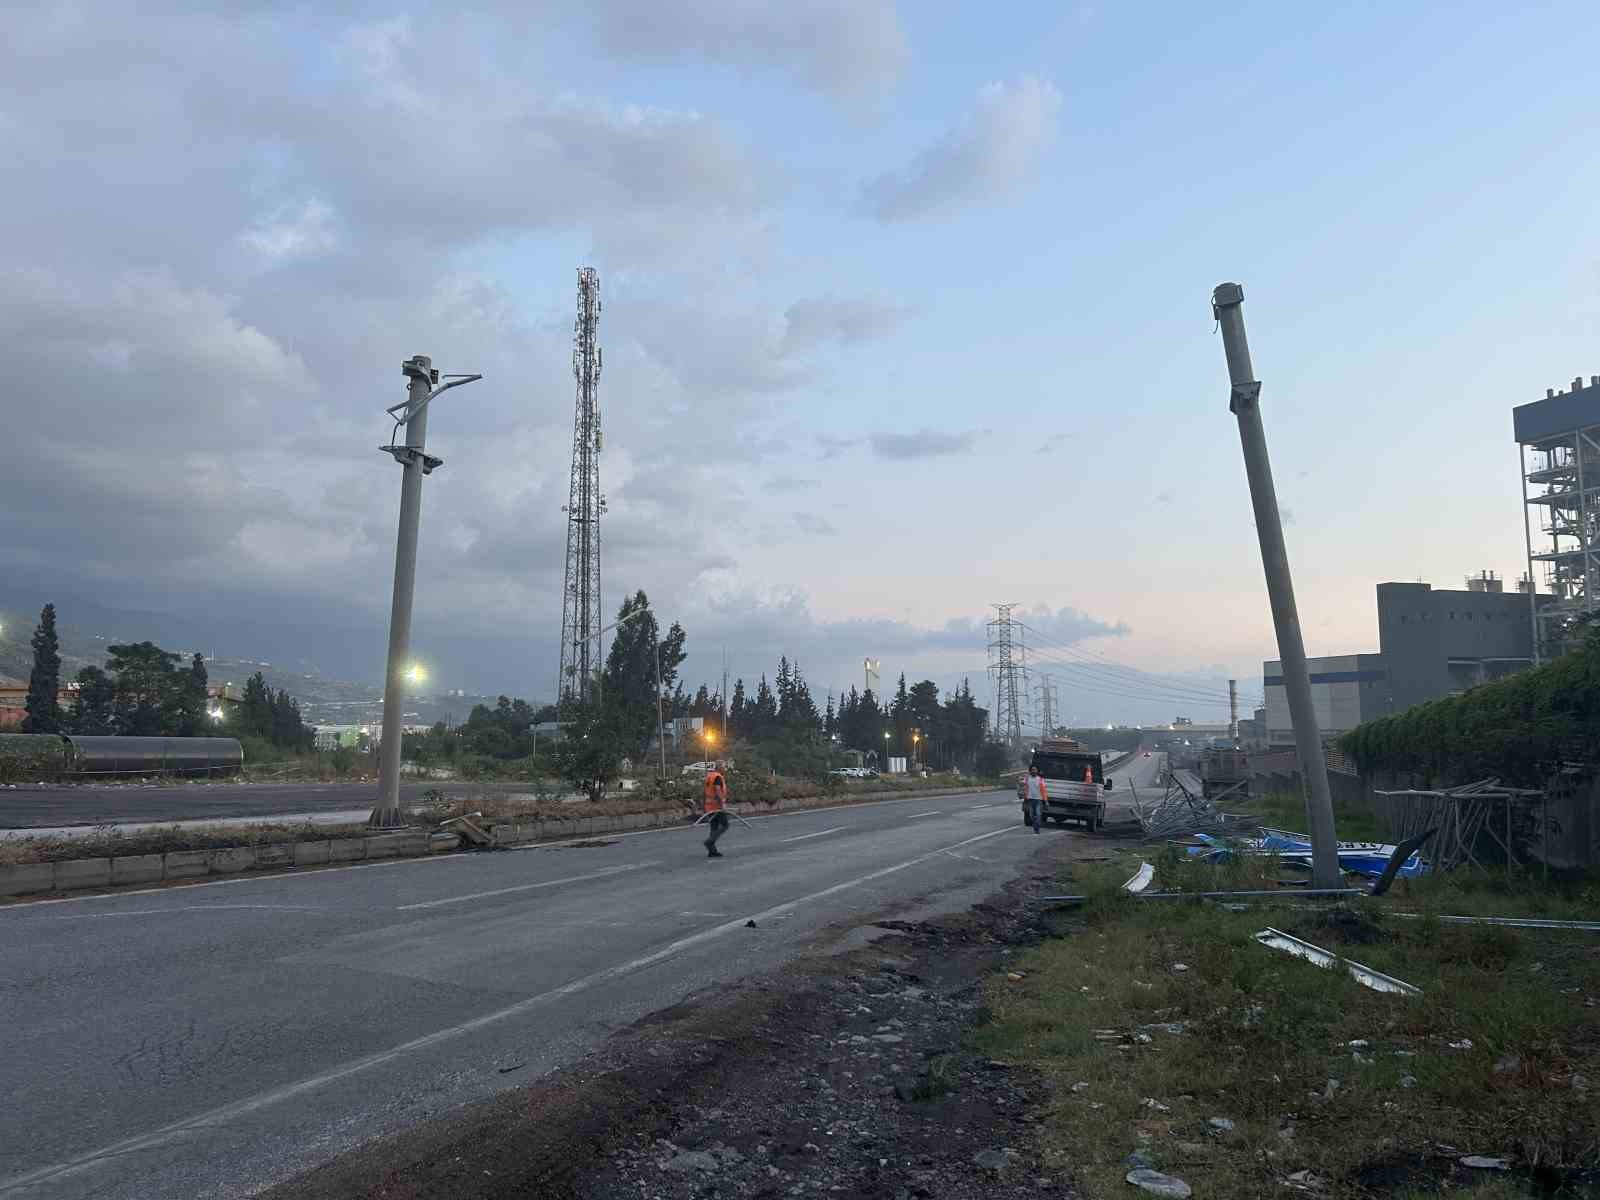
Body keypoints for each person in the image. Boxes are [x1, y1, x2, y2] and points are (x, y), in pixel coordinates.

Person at [702, 762, 730, 858]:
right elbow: (717, 789)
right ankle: (709, 842)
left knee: (714, 827)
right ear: (720, 767)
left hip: (709, 805)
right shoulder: (717, 777)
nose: (725, 769)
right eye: (724, 767)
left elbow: (705, 792)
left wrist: (703, 806)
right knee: (725, 825)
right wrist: (722, 803)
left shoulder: (709, 776)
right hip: (716, 806)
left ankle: (712, 851)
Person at [1023, 764, 1048, 834]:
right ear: (1030, 771)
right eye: (1032, 770)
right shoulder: (1027, 778)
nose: (1033, 771)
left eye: (1035, 770)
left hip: (1038, 800)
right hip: (1029, 800)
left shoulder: (1040, 779)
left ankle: (1037, 828)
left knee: (1038, 814)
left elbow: (1044, 791)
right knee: (1031, 815)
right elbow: (1022, 786)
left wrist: (1045, 801)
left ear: (1037, 771)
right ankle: (1035, 827)